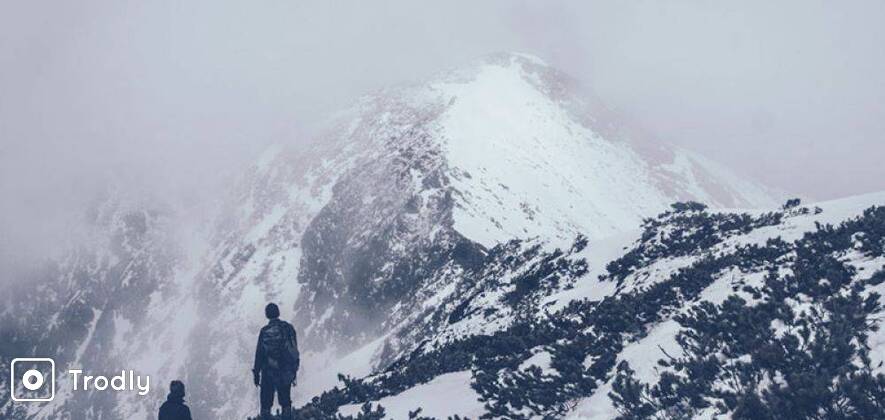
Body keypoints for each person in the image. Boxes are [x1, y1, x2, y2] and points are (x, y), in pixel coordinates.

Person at [253, 303, 300, 420]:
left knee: (266, 403)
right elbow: (294, 349)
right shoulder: (289, 328)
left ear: (267, 315)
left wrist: (256, 374)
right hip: (286, 371)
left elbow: (259, 354)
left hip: (268, 371)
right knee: (285, 402)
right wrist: (294, 370)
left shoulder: (264, 331)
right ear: (278, 312)